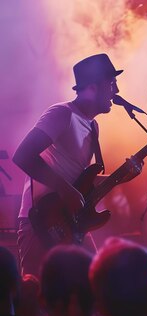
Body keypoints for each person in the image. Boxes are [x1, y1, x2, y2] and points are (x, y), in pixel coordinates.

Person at [12, 53, 134, 276]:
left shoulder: (93, 126)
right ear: (94, 87)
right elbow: (23, 155)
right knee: (39, 294)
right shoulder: (62, 114)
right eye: (111, 83)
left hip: (71, 222)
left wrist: (122, 177)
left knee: (93, 288)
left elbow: (80, 180)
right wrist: (63, 188)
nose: (116, 90)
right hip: (42, 221)